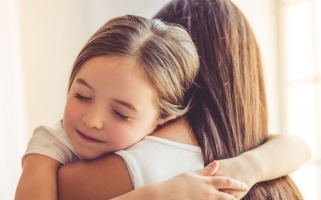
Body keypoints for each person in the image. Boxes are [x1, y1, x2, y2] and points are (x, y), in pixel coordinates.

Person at [56, 0, 311, 200]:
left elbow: (57, 187)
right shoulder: (252, 151)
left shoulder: (157, 155)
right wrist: (251, 166)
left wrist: (42, 154)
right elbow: (301, 146)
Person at [15, 14, 249, 200]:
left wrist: (251, 166)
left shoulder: (173, 146)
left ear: (163, 118)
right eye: (82, 95)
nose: (92, 120)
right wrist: (157, 195)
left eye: (120, 113)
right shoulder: (50, 144)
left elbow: (285, 144)